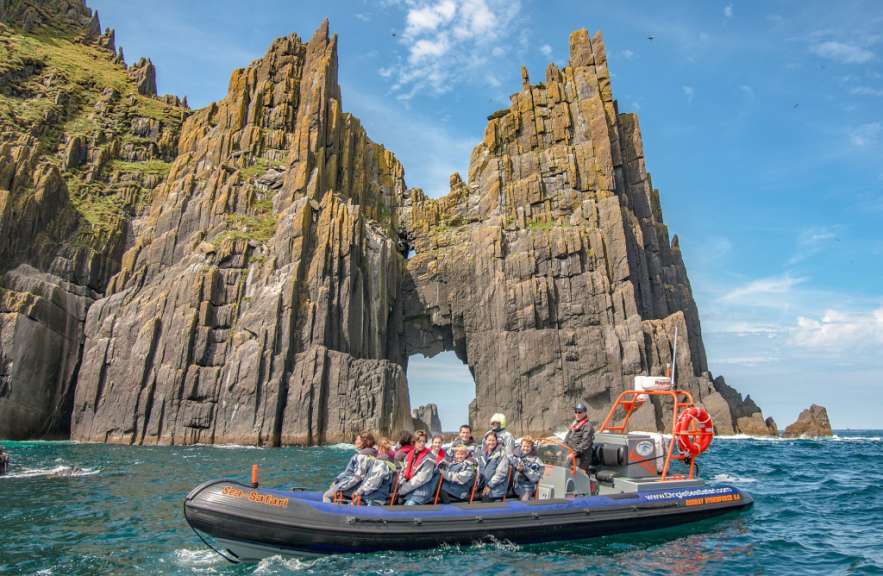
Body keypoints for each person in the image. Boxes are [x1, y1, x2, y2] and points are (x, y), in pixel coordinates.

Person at [322, 431, 378, 503]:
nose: (355, 441)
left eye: (357, 440)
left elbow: (357, 476)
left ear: (364, 442)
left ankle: (329, 512)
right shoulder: (375, 453)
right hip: (367, 486)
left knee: (326, 495)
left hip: (355, 487)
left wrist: (340, 485)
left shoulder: (361, 456)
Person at [396, 434, 438, 505]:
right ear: (414, 442)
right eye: (419, 441)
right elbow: (403, 471)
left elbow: (420, 479)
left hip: (422, 490)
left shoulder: (429, 459)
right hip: (410, 489)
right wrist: (400, 482)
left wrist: (402, 490)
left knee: (408, 505)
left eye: (424, 441)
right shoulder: (409, 455)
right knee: (398, 502)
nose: (422, 443)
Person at [477, 431, 510, 502]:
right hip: (483, 485)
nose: (491, 442)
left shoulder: (502, 453)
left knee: (485, 501)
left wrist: (489, 486)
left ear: (496, 441)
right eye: (489, 440)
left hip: (495, 487)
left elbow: (501, 474)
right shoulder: (481, 452)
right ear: (485, 441)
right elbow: (478, 468)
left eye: (493, 440)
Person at [509, 436, 544, 501]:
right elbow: (509, 459)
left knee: (524, 503)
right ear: (521, 446)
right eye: (524, 446)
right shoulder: (515, 457)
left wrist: (524, 470)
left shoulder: (536, 460)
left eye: (528, 447)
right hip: (515, 486)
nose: (525, 448)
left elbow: (536, 477)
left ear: (532, 448)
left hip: (527, 488)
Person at [563, 402, 594, 472]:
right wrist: (562, 448)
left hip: (581, 457)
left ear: (585, 413)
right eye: (576, 412)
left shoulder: (588, 426)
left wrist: (574, 453)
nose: (577, 414)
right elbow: (567, 436)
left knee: (577, 475)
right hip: (570, 454)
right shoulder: (575, 423)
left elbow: (585, 443)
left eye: (579, 412)